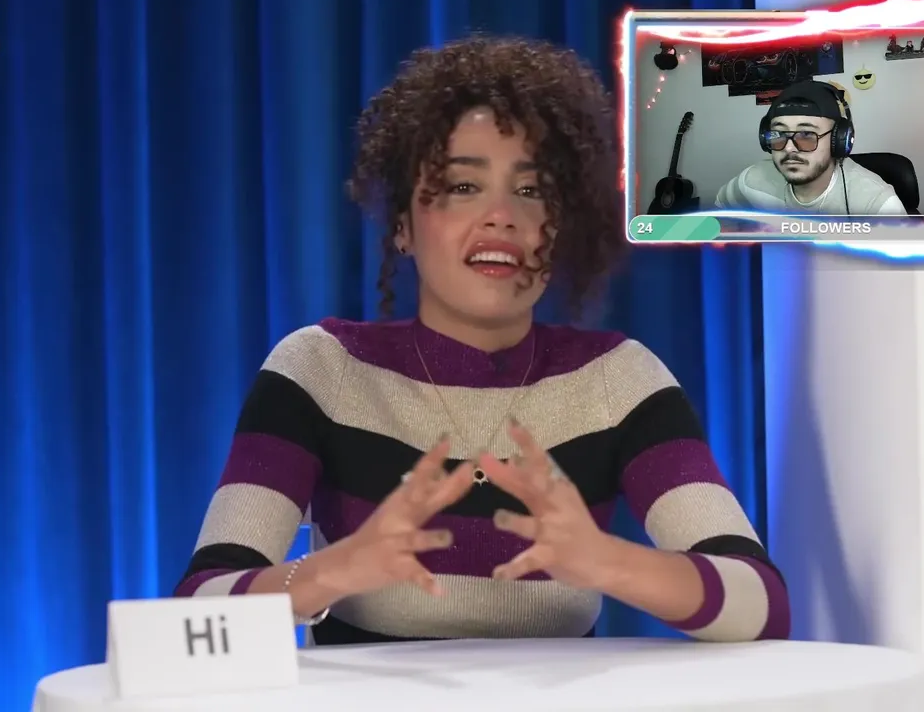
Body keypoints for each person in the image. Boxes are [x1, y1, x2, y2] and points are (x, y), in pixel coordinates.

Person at [175, 35, 789, 646]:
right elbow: (196, 609)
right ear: (402, 226)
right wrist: (332, 572)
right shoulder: (321, 369)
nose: (502, 216)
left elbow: (761, 606)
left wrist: (610, 562)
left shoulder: (617, 380)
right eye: (463, 187)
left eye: (531, 190)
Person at [715, 79, 908, 214]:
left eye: (806, 134)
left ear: (838, 140)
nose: (789, 148)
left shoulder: (876, 205)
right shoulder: (751, 182)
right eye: (779, 134)